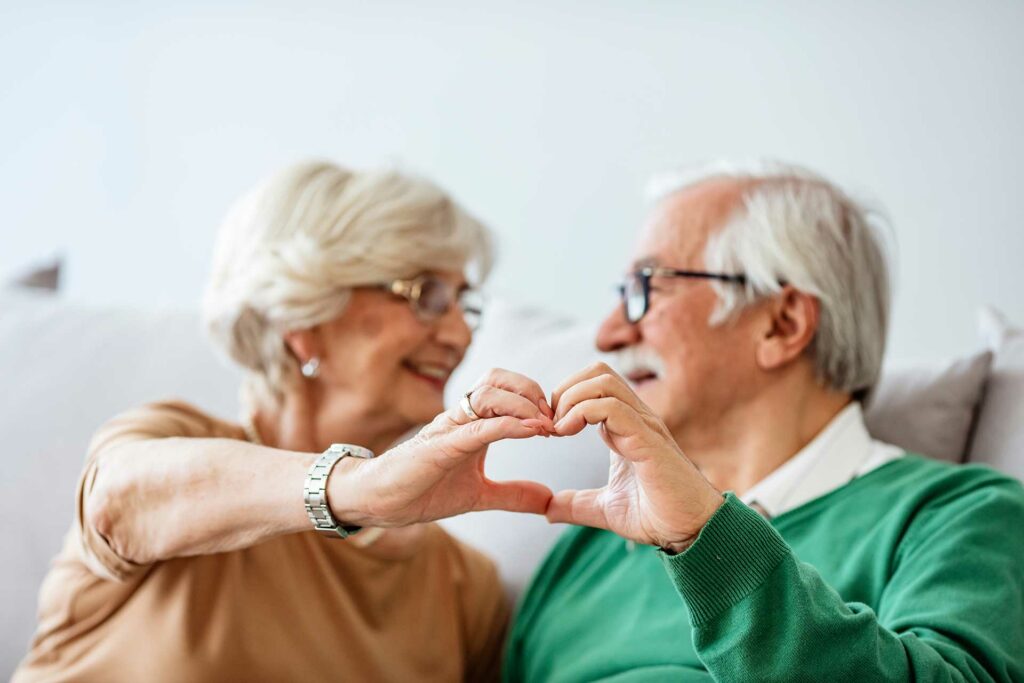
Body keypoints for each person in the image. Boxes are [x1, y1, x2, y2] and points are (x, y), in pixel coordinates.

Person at [13, 161, 557, 682]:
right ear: (307, 315)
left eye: (466, 304)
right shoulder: (171, 443)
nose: (461, 335)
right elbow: (118, 503)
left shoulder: (462, 588)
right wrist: (359, 488)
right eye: (428, 296)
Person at [504, 161, 1024, 681]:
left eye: (645, 288)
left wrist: (707, 540)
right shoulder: (588, 544)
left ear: (782, 324)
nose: (608, 333)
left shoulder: (959, 516)